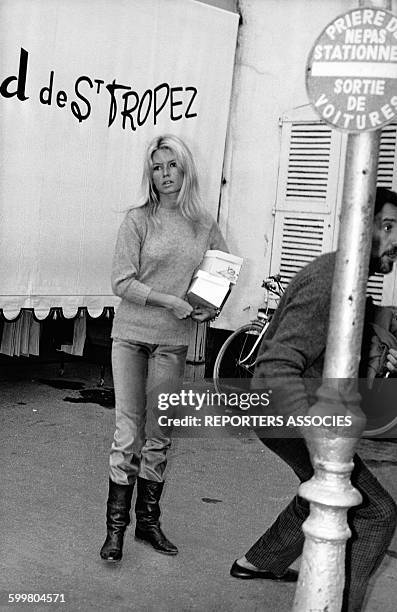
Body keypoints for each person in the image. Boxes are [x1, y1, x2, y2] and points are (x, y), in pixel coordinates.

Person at [230, 187, 397, 611]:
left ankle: (259, 561)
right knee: (374, 512)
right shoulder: (332, 281)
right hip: (283, 412)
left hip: (290, 411)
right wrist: (319, 433)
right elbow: (274, 368)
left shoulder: (349, 278)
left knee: (325, 489)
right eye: (388, 227)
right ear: (361, 226)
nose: (396, 241)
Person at [100, 134, 227, 562]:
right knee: (127, 433)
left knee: (159, 436)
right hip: (131, 338)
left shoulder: (204, 224)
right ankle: (116, 530)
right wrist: (166, 299)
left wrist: (208, 308)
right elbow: (120, 281)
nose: (165, 174)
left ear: (186, 169)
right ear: (149, 175)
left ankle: (148, 524)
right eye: (157, 167)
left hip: (172, 344)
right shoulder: (138, 219)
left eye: (172, 165)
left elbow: (221, 273)